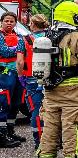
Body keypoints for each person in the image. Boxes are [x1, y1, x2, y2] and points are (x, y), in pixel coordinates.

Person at [37, 2, 78, 158]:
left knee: (50, 126)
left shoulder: (47, 37)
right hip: (73, 90)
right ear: (74, 17)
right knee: (72, 126)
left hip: (50, 91)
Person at [23, 14, 49, 148]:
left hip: (32, 78)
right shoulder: (51, 37)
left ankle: (39, 141)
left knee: (36, 110)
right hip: (50, 77)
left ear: (33, 24)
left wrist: (21, 76)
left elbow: (20, 61)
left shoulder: (27, 39)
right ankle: (55, 139)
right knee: (53, 109)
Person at [0, 11, 25, 148]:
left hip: (17, 73)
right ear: (2, 22)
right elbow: (4, 51)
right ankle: (1, 135)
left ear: (15, 23)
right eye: (6, 21)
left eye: (12, 21)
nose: (9, 23)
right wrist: (20, 47)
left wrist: (17, 47)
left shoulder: (18, 36)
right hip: (4, 73)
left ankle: (10, 131)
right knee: (4, 102)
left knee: (15, 103)